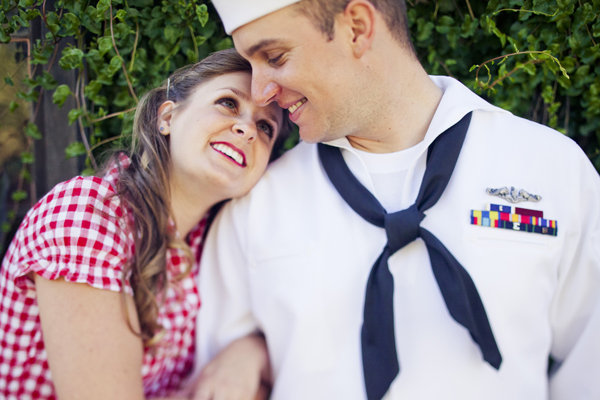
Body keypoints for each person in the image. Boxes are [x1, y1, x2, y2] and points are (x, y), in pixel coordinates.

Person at [193, 1, 600, 399]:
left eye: (275, 57)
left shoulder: (551, 169)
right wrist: (253, 347)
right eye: (251, 65)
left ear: (356, 26)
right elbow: (214, 374)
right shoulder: (256, 204)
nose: (261, 92)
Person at [0, 48, 291, 399]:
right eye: (228, 103)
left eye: (265, 127)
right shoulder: (90, 215)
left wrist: (251, 351)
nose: (247, 129)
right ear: (166, 117)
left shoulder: (211, 241)